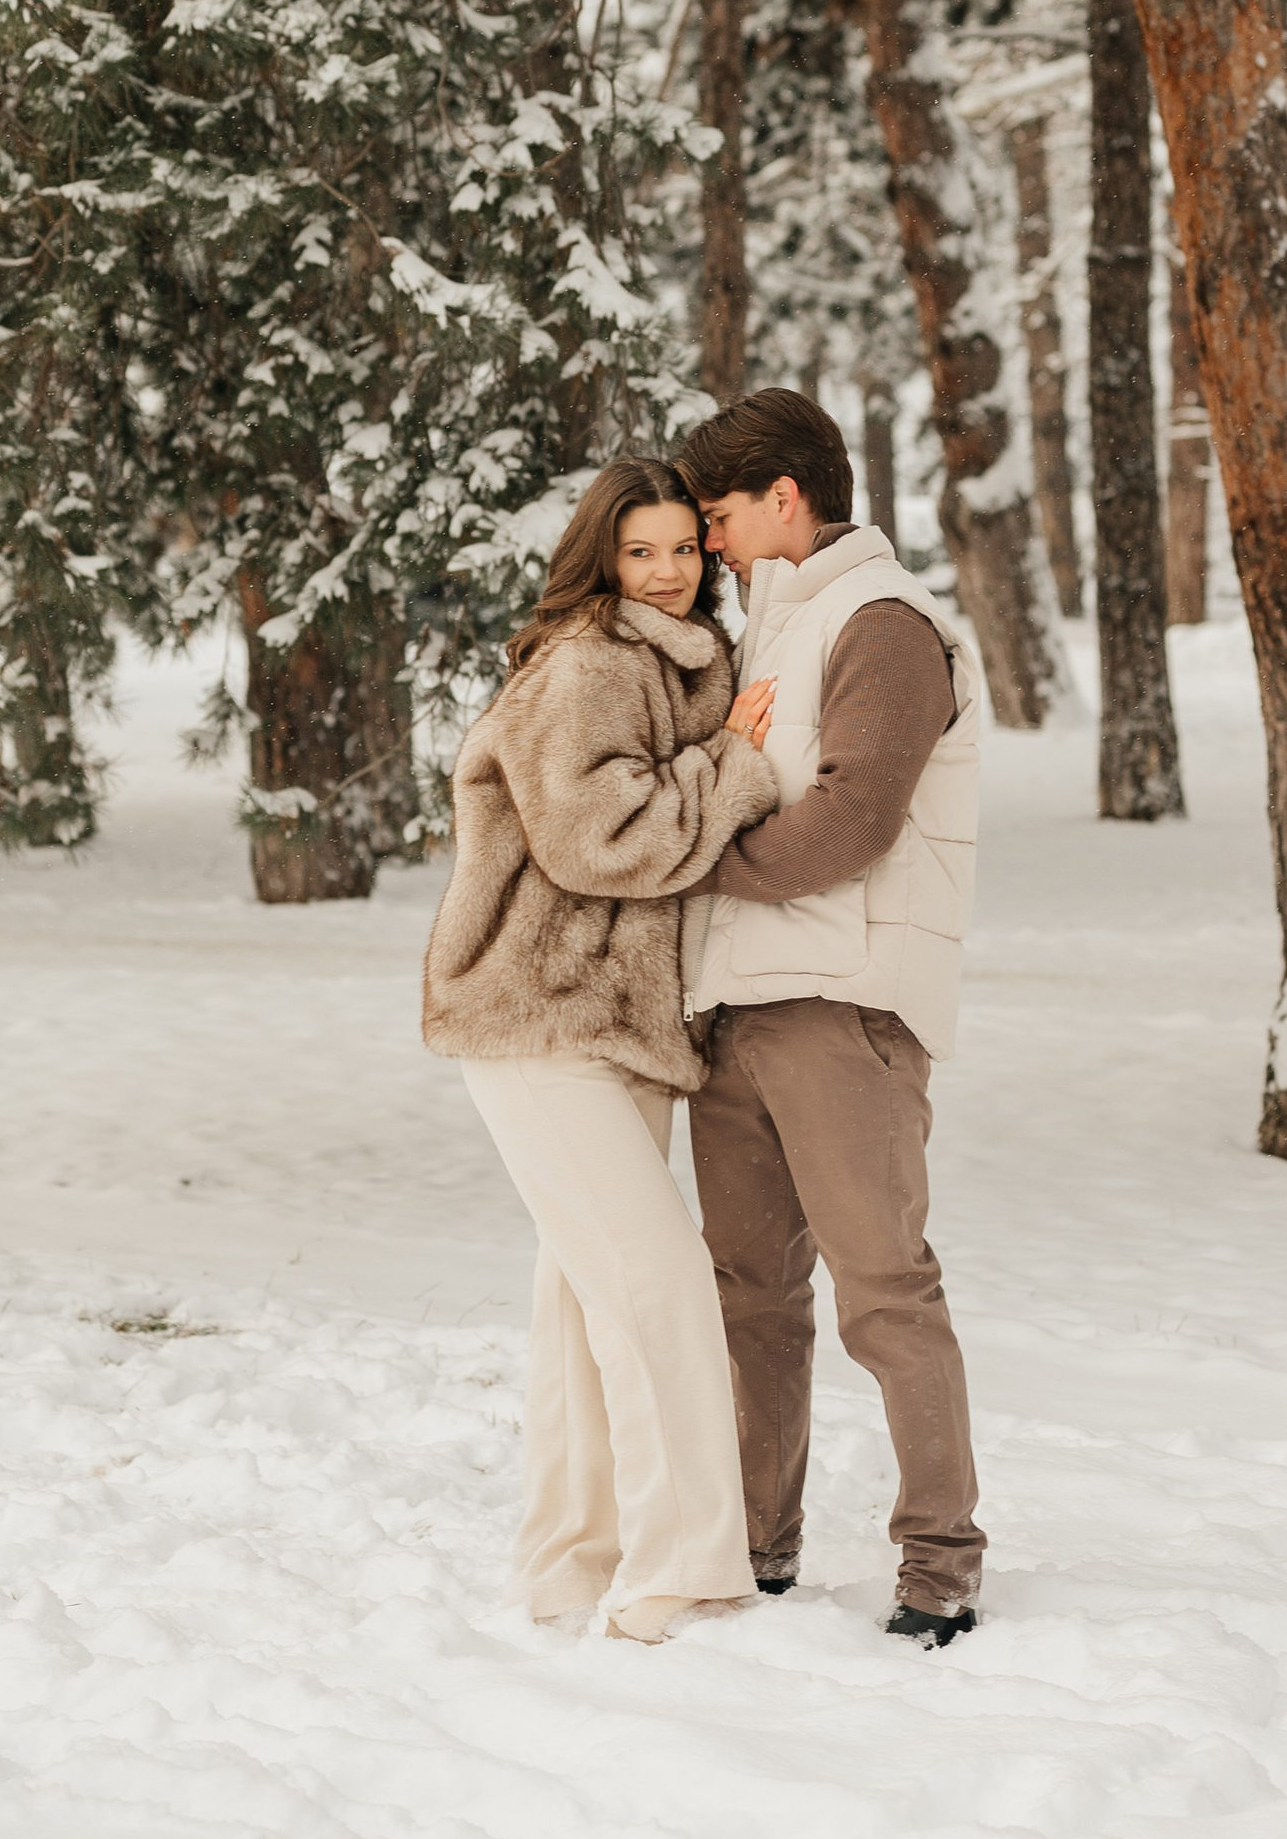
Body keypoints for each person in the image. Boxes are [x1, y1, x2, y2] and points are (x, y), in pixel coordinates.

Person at [421, 457, 781, 1643]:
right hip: (540, 1017)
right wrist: (729, 766)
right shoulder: (587, 663)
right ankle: (682, 1572)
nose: (668, 572)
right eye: (641, 551)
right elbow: (597, 839)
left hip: (621, 1026)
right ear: (601, 558)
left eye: (683, 547)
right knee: (657, 1281)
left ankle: (569, 1567)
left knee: (585, 1304)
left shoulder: (675, 661)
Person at [676, 389, 986, 1646]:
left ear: (785, 495)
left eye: (719, 511)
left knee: (883, 1292)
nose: (706, 537)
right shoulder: (767, 628)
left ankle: (940, 1564)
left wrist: (695, 859)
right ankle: (760, 1544)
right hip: (736, 1008)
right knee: (750, 1293)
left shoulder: (885, 623)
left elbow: (850, 822)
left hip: (842, 1010)